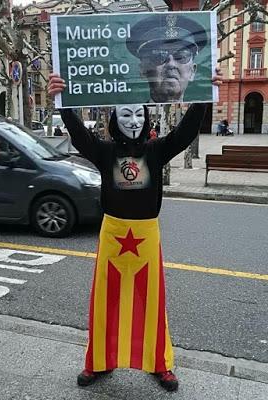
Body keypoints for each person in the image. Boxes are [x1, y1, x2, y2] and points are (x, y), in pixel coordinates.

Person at [47, 68, 223, 392]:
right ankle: (97, 361)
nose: (133, 120)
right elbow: (78, 135)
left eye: (138, 114)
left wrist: (201, 99)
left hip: (145, 239)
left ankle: (160, 363)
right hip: (113, 238)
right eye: (125, 114)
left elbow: (184, 135)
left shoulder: (156, 152)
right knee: (105, 303)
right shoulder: (104, 152)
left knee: (151, 304)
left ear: (146, 119)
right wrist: (61, 100)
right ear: (115, 119)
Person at [126, 14, 208, 103]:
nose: (171, 64)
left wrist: (217, 87)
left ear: (193, 71)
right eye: (159, 56)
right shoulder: (131, 114)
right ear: (143, 70)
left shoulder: (202, 112)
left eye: (181, 56)